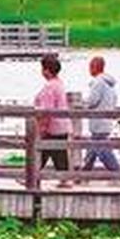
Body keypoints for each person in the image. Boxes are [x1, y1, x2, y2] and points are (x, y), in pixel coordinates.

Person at [32, 54, 72, 184]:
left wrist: (42, 128)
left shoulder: (49, 87)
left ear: (46, 70)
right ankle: (64, 179)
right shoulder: (59, 84)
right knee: (57, 153)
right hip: (62, 125)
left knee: (44, 152)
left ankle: (32, 176)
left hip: (53, 127)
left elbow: (46, 110)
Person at [81, 55, 120, 173]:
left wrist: (82, 102)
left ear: (95, 67)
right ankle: (85, 172)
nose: (89, 69)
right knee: (93, 148)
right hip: (106, 120)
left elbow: (92, 101)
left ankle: (117, 172)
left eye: (90, 66)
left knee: (103, 150)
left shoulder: (98, 82)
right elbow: (114, 100)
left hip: (98, 121)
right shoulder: (110, 84)